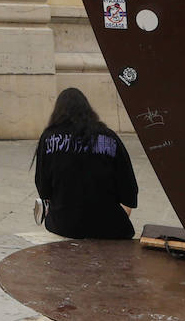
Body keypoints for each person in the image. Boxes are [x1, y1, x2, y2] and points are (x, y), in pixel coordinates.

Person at [32, 88, 138, 240]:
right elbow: (129, 191)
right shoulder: (109, 137)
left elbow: (44, 190)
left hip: (63, 226)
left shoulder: (48, 139)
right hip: (109, 226)